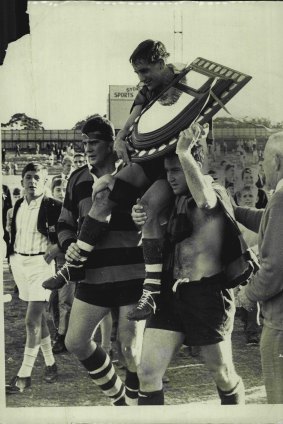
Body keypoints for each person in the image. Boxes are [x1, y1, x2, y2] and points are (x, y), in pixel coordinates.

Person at [43, 39, 200, 320]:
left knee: (147, 212)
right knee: (102, 194)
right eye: (137, 72)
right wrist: (118, 138)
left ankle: (150, 292)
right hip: (148, 158)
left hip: (173, 164)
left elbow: (201, 120)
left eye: (145, 71)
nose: (141, 78)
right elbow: (133, 119)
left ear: (161, 63)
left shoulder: (187, 83)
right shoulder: (146, 89)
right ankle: (75, 263)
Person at [131, 123, 245, 405]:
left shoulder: (214, 189)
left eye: (177, 170)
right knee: (147, 372)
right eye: (167, 171)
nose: (170, 178)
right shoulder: (173, 200)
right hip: (171, 294)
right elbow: (151, 226)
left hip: (207, 295)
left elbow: (205, 202)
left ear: (194, 163)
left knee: (222, 373)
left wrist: (184, 151)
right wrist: (141, 215)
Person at [44, 115, 145, 406]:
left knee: (130, 349)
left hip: (132, 273)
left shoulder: (133, 172)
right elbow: (64, 222)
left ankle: (137, 410)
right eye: (85, 143)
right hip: (93, 275)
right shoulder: (77, 178)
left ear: (111, 144)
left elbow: (151, 216)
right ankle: (119, 399)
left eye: (94, 143)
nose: (88, 148)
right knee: (75, 341)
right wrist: (68, 243)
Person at [5, 163, 62, 394]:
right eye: (28, 177)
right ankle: (50, 364)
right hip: (20, 264)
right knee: (37, 318)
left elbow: (73, 229)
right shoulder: (17, 204)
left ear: (45, 181)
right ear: (22, 180)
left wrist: (58, 246)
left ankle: (24, 374)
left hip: (42, 264)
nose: (32, 182)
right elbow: (12, 233)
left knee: (31, 321)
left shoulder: (54, 205)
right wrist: (12, 260)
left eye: (37, 177)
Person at [236, 131, 283, 404]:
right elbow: (269, 222)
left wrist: (247, 295)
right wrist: (236, 211)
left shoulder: (279, 199)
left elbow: (275, 270)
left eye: (263, 159)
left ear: (276, 161)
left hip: (278, 326)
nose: (260, 166)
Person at [49, 177, 73, 354]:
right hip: (55, 259)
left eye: (65, 189)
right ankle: (59, 329)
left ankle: (62, 336)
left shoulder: (72, 209)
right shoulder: (51, 209)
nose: (61, 193)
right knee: (53, 299)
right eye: (58, 189)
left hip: (69, 258)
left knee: (65, 299)